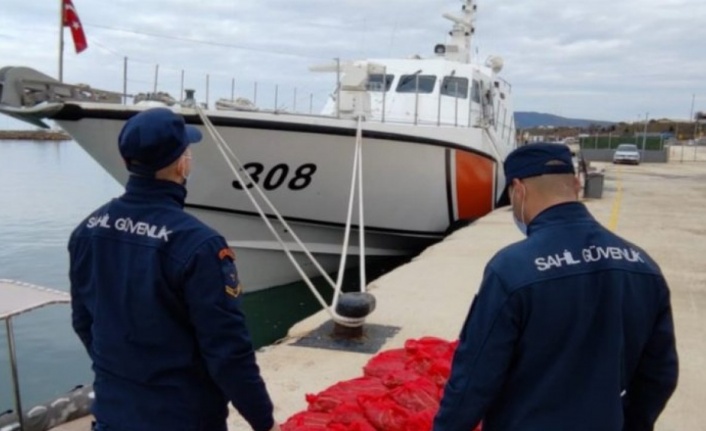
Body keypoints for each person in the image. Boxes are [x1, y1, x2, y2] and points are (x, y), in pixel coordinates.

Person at [433, 143, 678, 431]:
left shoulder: (510, 270)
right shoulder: (643, 266)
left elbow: (474, 378)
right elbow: (659, 374)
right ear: (575, 185)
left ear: (518, 190)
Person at [68, 107, 281, 431]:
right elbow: (228, 353)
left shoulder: (87, 230)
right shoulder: (199, 245)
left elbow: (84, 322)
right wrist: (264, 422)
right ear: (183, 163)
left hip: (113, 415)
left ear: (127, 162)